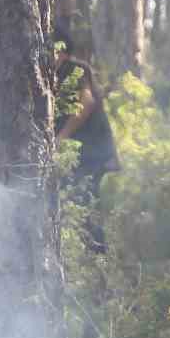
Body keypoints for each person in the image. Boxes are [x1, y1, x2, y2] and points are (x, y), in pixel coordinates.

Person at [53, 21, 122, 254]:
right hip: (79, 155)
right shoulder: (51, 76)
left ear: (60, 49)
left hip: (91, 153)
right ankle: (85, 261)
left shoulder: (76, 69)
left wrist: (61, 137)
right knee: (75, 203)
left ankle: (97, 262)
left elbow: (87, 102)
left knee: (84, 203)